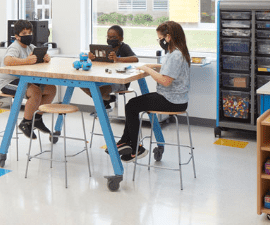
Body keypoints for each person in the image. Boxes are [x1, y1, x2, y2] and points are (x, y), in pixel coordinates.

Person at [116, 21, 191, 161]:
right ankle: (125, 141)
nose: (160, 42)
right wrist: (154, 65)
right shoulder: (179, 52)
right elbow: (169, 68)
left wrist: (148, 70)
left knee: (131, 106)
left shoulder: (175, 55)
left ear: (168, 37)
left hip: (170, 101)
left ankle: (135, 148)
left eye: (160, 38)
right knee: (133, 104)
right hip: (178, 100)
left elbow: (165, 81)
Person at [1, 19, 56, 138]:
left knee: (51, 89)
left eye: (29, 33)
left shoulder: (30, 46)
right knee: (35, 92)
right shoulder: (14, 47)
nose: (28, 36)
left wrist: (46, 58)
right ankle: (25, 122)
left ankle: (37, 119)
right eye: (24, 34)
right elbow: (7, 60)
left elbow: (39, 57)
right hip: (8, 82)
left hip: (24, 81)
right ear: (17, 37)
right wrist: (25, 61)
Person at [81, 25, 139, 109]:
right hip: (106, 78)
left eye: (113, 37)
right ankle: (107, 99)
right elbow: (100, 62)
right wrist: (91, 58)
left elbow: (135, 59)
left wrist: (117, 59)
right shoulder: (106, 49)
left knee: (97, 92)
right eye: (108, 37)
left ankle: (106, 99)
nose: (110, 39)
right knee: (82, 84)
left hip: (120, 81)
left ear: (121, 39)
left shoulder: (124, 47)